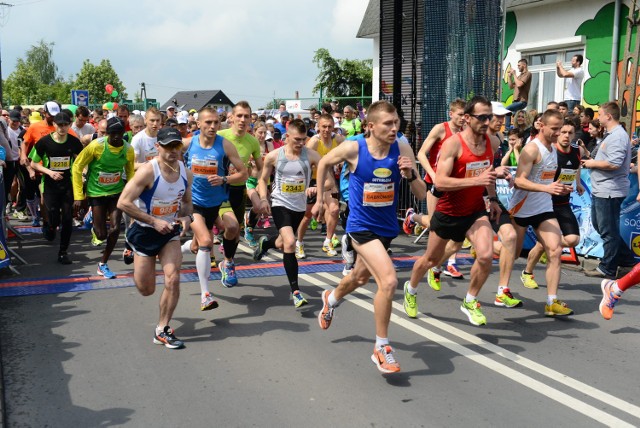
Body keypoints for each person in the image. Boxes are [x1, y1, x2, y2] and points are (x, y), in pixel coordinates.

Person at [315, 100, 426, 374]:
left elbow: (422, 193)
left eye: (396, 122)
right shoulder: (355, 148)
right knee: (388, 281)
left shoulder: (400, 148)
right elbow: (323, 162)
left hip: (386, 228)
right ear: (370, 126)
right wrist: (320, 197)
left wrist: (410, 174)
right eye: (388, 124)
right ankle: (381, 347)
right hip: (360, 226)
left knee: (360, 277)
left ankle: (330, 300)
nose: (394, 128)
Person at [403, 96, 503, 326]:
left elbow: (487, 173)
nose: (487, 122)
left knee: (486, 255)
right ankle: (412, 288)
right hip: (449, 211)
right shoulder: (453, 143)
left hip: (475, 210)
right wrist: (477, 180)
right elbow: (440, 183)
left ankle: (470, 300)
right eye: (482, 117)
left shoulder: (492, 142)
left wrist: (493, 199)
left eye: (491, 117)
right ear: (467, 118)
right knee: (430, 259)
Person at [117, 127, 193, 349]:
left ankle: (162, 328)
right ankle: (130, 242)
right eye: (168, 146)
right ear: (157, 147)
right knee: (146, 289)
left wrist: (187, 217)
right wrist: (153, 221)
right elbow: (123, 202)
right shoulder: (148, 172)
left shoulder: (186, 173)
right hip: (144, 231)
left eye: (176, 147)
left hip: (169, 232)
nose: (172, 151)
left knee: (173, 278)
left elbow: (187, 203)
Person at [509, 109, 574, 316]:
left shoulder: (553, 149)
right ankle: (501, 285)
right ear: (541, 126)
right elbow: (519, 181)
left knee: (555, 251)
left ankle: (551, 302)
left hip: (544, 208)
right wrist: (546, 188)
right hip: (522, 208)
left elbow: (546, 179)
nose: (558, 133)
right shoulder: (531, 149)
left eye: (560, 129)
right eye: (554, 129)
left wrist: (559, 187)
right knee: (511, 254)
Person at [181, 107, 247, 307]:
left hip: (219, 201)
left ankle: (227, 262)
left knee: (234, 228)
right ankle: (205, 294)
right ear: (198, 124)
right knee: (205, 242)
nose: (212, 126)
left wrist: (224, 178)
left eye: (216, 122)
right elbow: (163, 157)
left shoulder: (225, 145)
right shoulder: (187, 144)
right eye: (208, 122)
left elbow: (244, 173)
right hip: (195, 203)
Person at [252, 119, 322, 307]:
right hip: (280, 203)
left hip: (299, 206)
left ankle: (266, 243)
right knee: (290, 242)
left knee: (284, 241)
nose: (300, 143)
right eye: (296, 139)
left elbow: (327, 177)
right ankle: (296, 291)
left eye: (303, 139)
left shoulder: (312, 156)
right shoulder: (274, 156)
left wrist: (317, 190)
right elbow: (262, 179)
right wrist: (264, 198)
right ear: (287, 137)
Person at [520, 118, 585, 289]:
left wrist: (577, 183)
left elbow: (576, 167)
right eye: (563, 132)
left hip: (563, 203)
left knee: (572, 240)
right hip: (546, 203)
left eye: (570, 133)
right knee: (548, 242)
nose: (566, 136)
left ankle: (547, 242)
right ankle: (527, 273)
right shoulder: (551, 152)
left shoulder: (577, 151)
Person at [72, 117, 135, 278]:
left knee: (115, 229)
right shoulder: (96, 146)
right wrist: (79, 195)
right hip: (96, 192)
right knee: (101, 235)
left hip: (116, 192)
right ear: (107, 133)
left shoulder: (128, 149)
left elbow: (130, 173)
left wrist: (132, 193)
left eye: (119, 133)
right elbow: (77, 167)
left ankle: (103, 263)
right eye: (112, 133)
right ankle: (92, 220)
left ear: (124, 133)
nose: (115, 137)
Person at [582, 101, 636, 278]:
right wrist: (589, 158)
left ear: (609, 116)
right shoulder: (612, 135)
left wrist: (592, 163)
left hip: (610, 190)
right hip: (603, 189)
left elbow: (614, 163)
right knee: (602, 226)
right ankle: (628, 261)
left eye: (600, 114)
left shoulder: (618, 136)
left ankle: (608, 267)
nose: (598, 117)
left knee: (608, 230)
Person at [217, 101, 264, 287]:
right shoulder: (220, 136)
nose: (243, 120)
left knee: (235, 233)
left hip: (238, 189)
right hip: (219, 189)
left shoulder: (252, 141)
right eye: (239, 116)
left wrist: (256, 172)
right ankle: (227, 262)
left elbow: (260, 171)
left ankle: (227, 261)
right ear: (232, 118)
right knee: (232, 226)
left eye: (247, 116)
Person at [29, 112, 84, 264]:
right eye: (59, 125)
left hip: (68, 185)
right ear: (54, 125)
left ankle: (63, 252)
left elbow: (80, 161)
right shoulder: (44, 142)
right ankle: (50, 226)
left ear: (69, 125)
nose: (62, 127)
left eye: (65, 124)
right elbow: (33, 163)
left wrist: (83, 174)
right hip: (50, 185)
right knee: (53, 214)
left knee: (67, 219)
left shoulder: (74, 142)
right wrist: (50, 172)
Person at [296, 113, 344, 259]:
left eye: (330, 126)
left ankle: (328, 241)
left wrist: (343, 162)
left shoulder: (339, 140)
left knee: (334, 210)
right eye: (324, 126)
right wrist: (306, 186)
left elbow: (352, 152)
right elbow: (304, 165)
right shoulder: (314, 143)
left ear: (333, 127)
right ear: (318, 127)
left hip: (329, 183)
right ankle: (299, 243)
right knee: (308, 215)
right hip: (313, 181)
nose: (327, 129)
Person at [506, 59, 532, 128]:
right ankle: (516, 129)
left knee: (507, 109)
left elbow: (519, 84)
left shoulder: (528, 74)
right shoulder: (520, 76)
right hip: (515, 101)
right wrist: (509, 76)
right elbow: (511, 86)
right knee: (515, 119)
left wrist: (514, 74)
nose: (518, 67)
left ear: (524, 65)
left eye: (519, 65)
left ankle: (507, 128)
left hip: (521, 101)